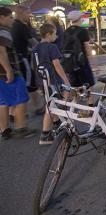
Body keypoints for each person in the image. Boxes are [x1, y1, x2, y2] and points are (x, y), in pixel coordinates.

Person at [0, 7, 36, 142]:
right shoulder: (3, 32)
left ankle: (4, 130)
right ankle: (21, 128)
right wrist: (9, 70)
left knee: (3, 102)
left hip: (1, 75)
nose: (12, 20)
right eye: (10, 17)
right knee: (21, 99)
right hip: (9, 72)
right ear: (1, 17)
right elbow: (1, 52)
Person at [32, 23, 70, 144]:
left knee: (52, 102)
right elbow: (57, 65)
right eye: (54, 33)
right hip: (51, 81)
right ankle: (45, 134)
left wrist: (38, 83)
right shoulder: (52, 47)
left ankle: (57, 123)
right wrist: (66, 80)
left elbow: (34, 67)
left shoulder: (35, 49)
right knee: (51, 106)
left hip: (41, 81)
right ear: (48, 34)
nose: (57, 36)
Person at [11, 6, 42, 115]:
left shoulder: (13, 25)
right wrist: (44, 47)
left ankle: (13, 112)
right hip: (23, 60)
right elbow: (33, 42)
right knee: (30, 84)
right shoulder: (21, 26)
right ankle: (35, 108)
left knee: (22, 84)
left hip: (16, 60)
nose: (30, 15)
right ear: (22, 13)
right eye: (28, 13)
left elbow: (19, 44)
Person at [63, 10, 95, 106]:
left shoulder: (66, 31)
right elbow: (87, 47)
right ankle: (91, 106)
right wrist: (92, 60)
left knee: (75, 86)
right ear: (79, 19)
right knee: (88, 85)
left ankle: (74, 105)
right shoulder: (83, 31)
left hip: (70, 65)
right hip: (82, 64)